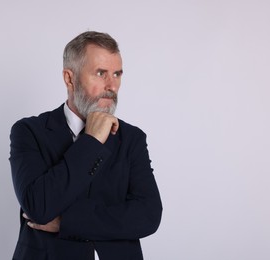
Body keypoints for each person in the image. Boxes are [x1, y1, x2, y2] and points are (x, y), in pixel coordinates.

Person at [9, 31, 162, 260]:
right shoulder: (29, 132)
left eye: (117, 74)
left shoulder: (132, 138)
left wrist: (67, 222)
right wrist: (91, 141)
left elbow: (147, 215)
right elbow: (39, 207)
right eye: (101, 73)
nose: (111, 85)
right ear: (69, 78)